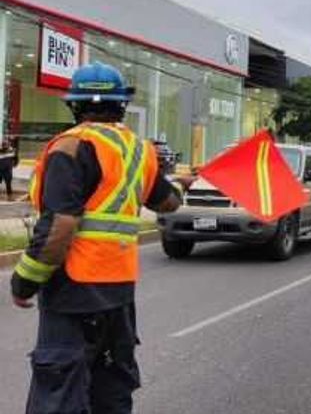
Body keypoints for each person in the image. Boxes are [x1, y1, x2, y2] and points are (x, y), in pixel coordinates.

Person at [9, 62, 191, 414]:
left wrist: (24, 283)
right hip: (119, 293)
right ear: (121, 105)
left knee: (59, 394)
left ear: (75, 105)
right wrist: (180, 184)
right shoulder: (138, 150)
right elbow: (168, 202)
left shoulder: (70, 147)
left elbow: (59, 226)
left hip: (73, 292)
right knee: (110, 392)